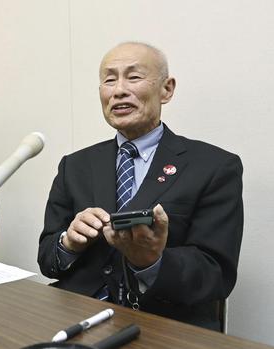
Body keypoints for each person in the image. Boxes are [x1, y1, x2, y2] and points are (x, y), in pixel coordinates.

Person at [37, 42, 243, 331]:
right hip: (77, 316)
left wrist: (151, 261)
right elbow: (47, 259)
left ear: (167, 89)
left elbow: (216, 275)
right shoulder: (75, 165)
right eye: (109, 79)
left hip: (165, 323)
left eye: (133, 77)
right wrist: (68, 243)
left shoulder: (214, 166)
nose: (119, 90)